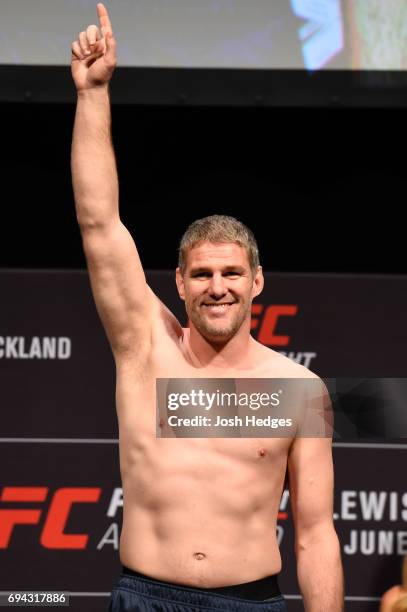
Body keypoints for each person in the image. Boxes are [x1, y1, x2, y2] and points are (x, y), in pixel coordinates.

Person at [70, 4, 344, 610]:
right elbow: (98, 223)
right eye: (202, 274)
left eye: (231, 273)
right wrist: (92, 95)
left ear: (257, 282)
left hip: (254, 601)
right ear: (180, 284)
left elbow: (316, 533)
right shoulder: (145, 348)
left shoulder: (300, 391)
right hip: (145, 596)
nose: (216, 286)